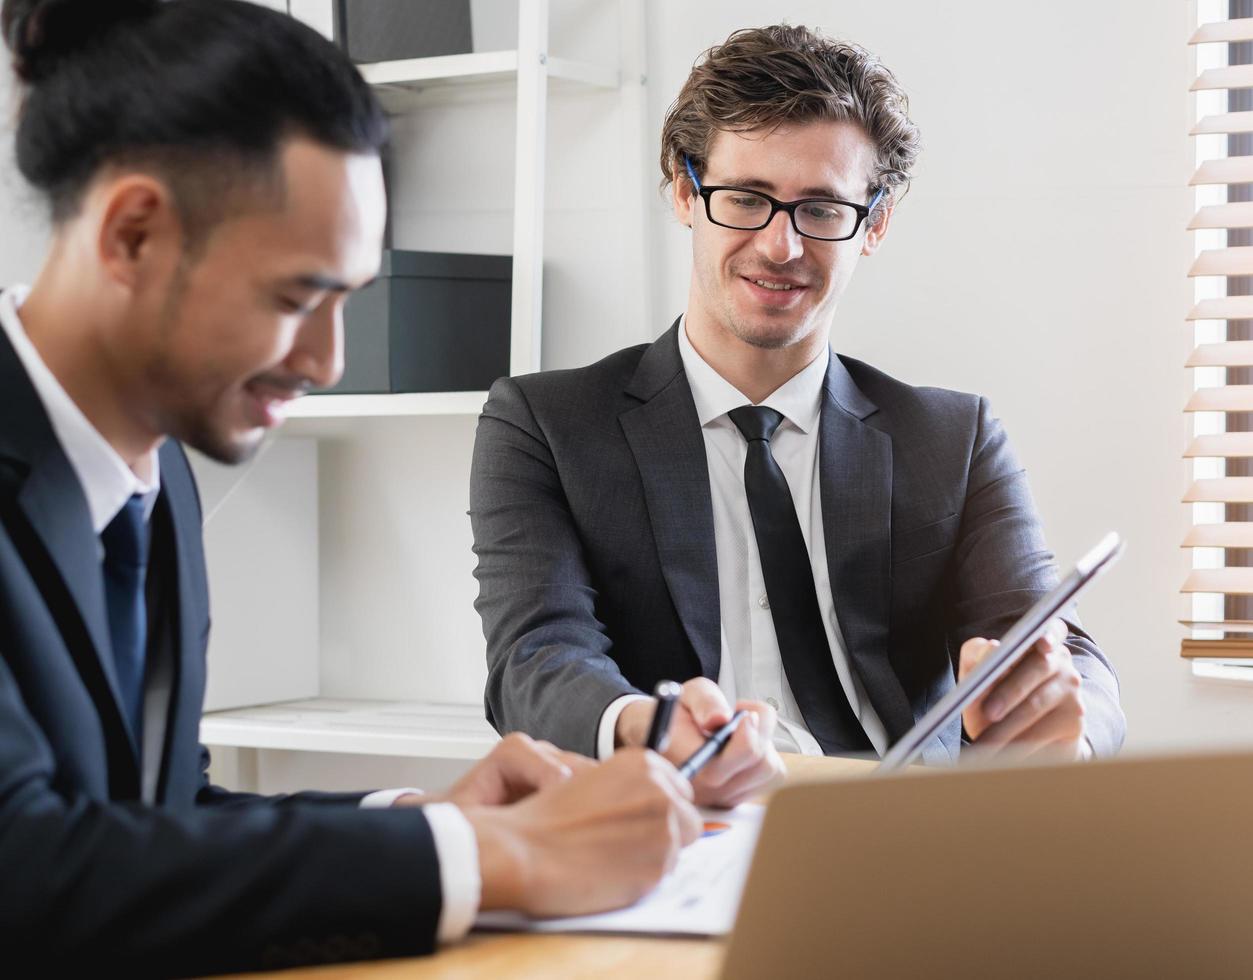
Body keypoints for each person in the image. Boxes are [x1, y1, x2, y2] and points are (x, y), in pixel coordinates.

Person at [0, 0, 701, 974]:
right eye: (296, 298)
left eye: (348, 300)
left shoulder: (152, 482)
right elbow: (27, 866)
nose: (328, 360)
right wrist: (493, 855)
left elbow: (152, 819)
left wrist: (423, 817)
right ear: (131, 234)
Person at [471, 24, 1125, 799]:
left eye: (820, 209)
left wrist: (1062, 719)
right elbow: (535, 657)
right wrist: (648, 728)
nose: (781, 247)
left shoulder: (953, 439)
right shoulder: (544, 424)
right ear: (684, 192)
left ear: (873, 224)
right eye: (745, 199)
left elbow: (1063, 651)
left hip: (901, 832)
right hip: (677, 825)